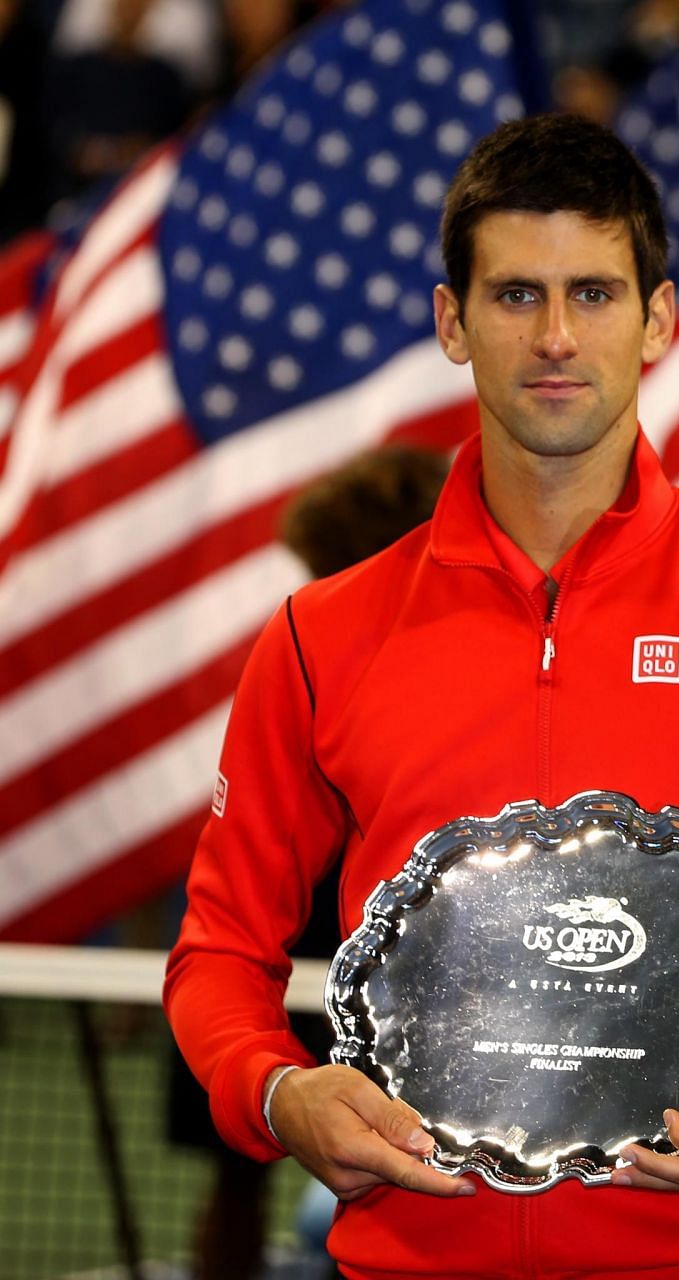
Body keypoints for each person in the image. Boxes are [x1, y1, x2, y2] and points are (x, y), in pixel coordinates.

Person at [163, 113, 679, 1280]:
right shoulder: (323, 635)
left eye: (595, 292)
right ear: (452, 322)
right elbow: (218, 947)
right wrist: (278, 1093)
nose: (558, 337)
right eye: (517, 296)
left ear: (660, 317)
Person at [163, 445, 450, 1280]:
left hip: (411, 976)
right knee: (237, 1175)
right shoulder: (305, 656)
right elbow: (222, 936)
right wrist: (272, 1092)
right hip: (285, 964)